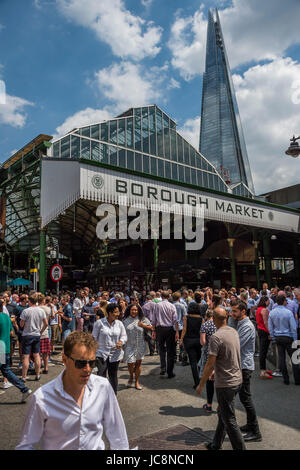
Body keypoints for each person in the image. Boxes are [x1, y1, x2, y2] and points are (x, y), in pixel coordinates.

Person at [15, 331, 129, 450]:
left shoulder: (103, 387)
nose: (88, 369)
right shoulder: (42, 398)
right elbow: (25, 445)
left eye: (92, 363)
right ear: (65, 360)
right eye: (81, 363)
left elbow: (118, 434)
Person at [196, 307, 245, 451]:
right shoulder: (233, 331)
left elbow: (210, 363)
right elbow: (230, 356)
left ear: (215, 319)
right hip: (236, 379)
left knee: (229, 420)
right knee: (223, 413)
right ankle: (216, 444)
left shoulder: (216, 337)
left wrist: (201, 383)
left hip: (226, 383)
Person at [231, 300, 262, 442]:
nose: (232, 314)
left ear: (243, 311)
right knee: (245, 398)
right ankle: (251, 426)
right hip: (242, 365)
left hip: (244, 366)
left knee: (246, 399)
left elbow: (236, 344)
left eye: (235, 311)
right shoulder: (240, 323)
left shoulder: (247, 326)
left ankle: (255, 431)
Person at [0, 299, 32, 401]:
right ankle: (24, 389)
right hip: (5, 347)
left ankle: (24, 389)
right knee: (6, 371)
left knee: (6, 371)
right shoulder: (6, 317)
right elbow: (10, 333)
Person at [92, 303, 127, 394]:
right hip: (101, 353)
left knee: (113, 376)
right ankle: (100, 396)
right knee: (101, 376)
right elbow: (94, 338)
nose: (117, 314)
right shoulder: (99, 323)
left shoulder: (119, 324)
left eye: (118, 312)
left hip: (115, 354)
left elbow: (124, 336)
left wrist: (121, 342)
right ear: (109, 312)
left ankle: (113, 396)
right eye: (115, 312)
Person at [268, 294, 299, 385]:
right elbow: (293, 328)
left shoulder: (272, 312)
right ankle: (297, 379)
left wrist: (273, 337)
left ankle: (286, 379)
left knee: (282, 358)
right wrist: (295, 339)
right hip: (288, 337)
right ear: (284, 301)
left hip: (278, 337)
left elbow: (270, 327)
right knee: (294, 358)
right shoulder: (288, 312)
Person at [123, 304, 153, 390]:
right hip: (129, 345)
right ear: (129, 310)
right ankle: (131, 376)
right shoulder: (125, 321)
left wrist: (143, 325)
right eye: (132, 310)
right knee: (130, 363)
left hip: (140, 344)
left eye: (136, 310)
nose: (134, 311)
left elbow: (152, 328)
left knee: (138, 363)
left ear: (138, 311)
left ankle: (136, 381)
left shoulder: (143, 319)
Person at [20, 294, 48, 381]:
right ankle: (38, 374)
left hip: (27, 334)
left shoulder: (26, 311)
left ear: (30, 301)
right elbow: (46, 323)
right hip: (36, 335)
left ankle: (24, 376)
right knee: (36, 355)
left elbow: (21, 324)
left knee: (26, 356)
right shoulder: (41, 311)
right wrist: (40, 331)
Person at [152, 291, 179, 378]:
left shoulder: (157, 305)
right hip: (169, 329)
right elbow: (175, 320)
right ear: (168, 296)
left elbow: (154, 319)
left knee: (161, 349)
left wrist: (153, 330)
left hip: (159, 329)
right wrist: (177, 332)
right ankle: (170, 371)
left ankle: (163, 367)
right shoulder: (172, 306)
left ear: (161, 296)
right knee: (170, 351)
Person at [180, 301, 202, 389]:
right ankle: (202, 379)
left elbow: (184, 329)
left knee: (193, 362)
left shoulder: (186, 317)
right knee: (199, 361)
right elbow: (202, 330)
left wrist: (181, 340)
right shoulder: (201, 318)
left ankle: (197, 383)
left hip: (189, 340)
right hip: (199, 341)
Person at [199, 309, 217, 412]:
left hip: (208, 354)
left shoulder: (205, 325)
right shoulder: (219, 325)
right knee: (219, 380)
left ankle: (209, 405)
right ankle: (221, 406)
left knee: (209, 380)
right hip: (219, 354)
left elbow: (203, 342)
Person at [256, 296, 273, 379]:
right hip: (264, 331)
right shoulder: (264, 310)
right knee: (263, 351)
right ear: (265, 301)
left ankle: (264, 369)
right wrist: (270, 332)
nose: (269, 302)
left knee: (263, 350)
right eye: (268, 301)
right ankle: (263, 371)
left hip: (260, 329)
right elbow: (266, 323)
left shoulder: (258, 309)